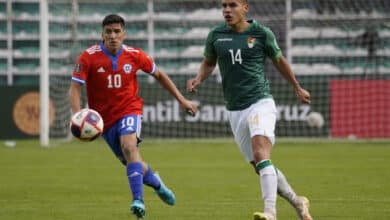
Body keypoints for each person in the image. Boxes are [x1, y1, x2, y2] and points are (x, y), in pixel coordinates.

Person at [186, 1, 312, 220]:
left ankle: (270, 212)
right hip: (235, 110)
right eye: (223, 5)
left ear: (245, 7)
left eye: (232, 5)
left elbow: (279, 60)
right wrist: (198, 79)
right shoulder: (216, 35)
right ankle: (297, 202)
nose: (227, 10)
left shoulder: (261, 33)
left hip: (260, 102)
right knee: (260, 166)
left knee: (261, 153)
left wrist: (297, 87)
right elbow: (209, 62)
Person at [69, 14, 198, 219]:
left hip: (130, 110)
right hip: (104, 121)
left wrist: (182, 100)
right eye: (108, 32)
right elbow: (75, 87)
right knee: (131, 161)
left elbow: (160, 75)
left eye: (117, 31)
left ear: (124, 34)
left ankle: (138, 201)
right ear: (102, 34)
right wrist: (77, 115)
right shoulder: (88, 56)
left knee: (130, 146)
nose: (113, 36)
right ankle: (157, 184)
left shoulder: (135, 54)